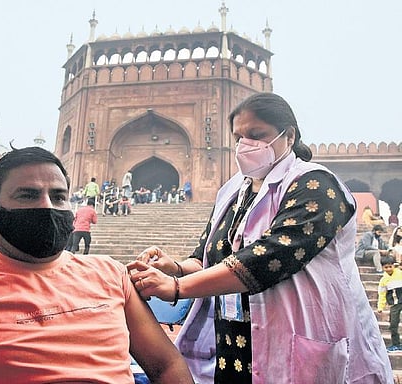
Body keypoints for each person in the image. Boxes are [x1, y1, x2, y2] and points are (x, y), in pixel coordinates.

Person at [127, 93, 392, 383]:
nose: (245, 144)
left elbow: (271, 256)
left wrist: (177, 287)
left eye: (256, 135)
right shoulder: (232, 192)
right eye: (239, 136)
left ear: (288, 135)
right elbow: (206, 257)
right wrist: (175, 267)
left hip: (300, 338)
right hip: (233, 347)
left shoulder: (316, 184)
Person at [0, 146, 193, 384]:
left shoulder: (110, 274)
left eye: (59, 196)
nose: (47, 206)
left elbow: (166, 366)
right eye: (28, 196)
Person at [377, 255, 402, 352]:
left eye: (390, 266)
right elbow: (382, 294)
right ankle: (396, 344)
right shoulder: (384, 281)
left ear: (394, 266)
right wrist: (380, 307)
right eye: (386, 267)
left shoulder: (400, 274)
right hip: (394, 305)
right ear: (383, 267)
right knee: (393, 324)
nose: (388, 269)